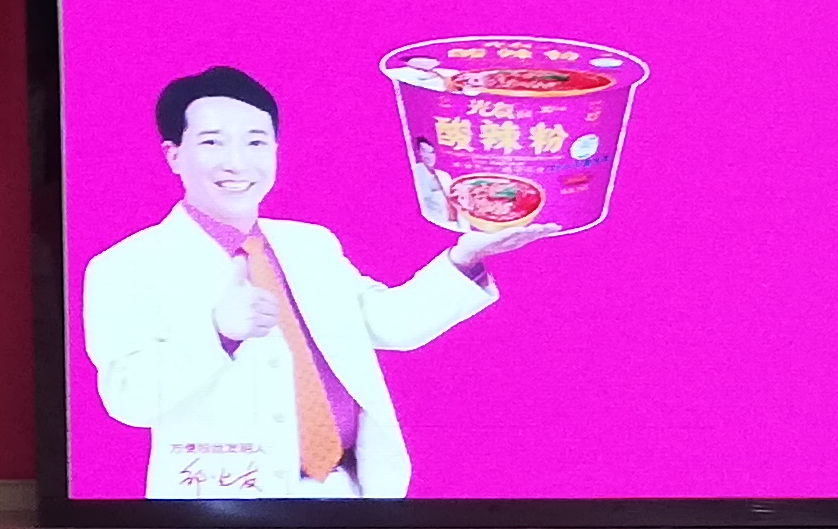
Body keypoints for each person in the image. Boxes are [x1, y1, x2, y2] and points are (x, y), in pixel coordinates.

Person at [82, 66, 549, 500]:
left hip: (347, 491)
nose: (236, 163)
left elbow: (387, 324)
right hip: (223, 502)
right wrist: (218, 334)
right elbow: (127, 399)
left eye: (256, 142)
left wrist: (465, 257)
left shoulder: (310, 245)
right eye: (212, 143)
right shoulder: (124, 266)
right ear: (174, 155)